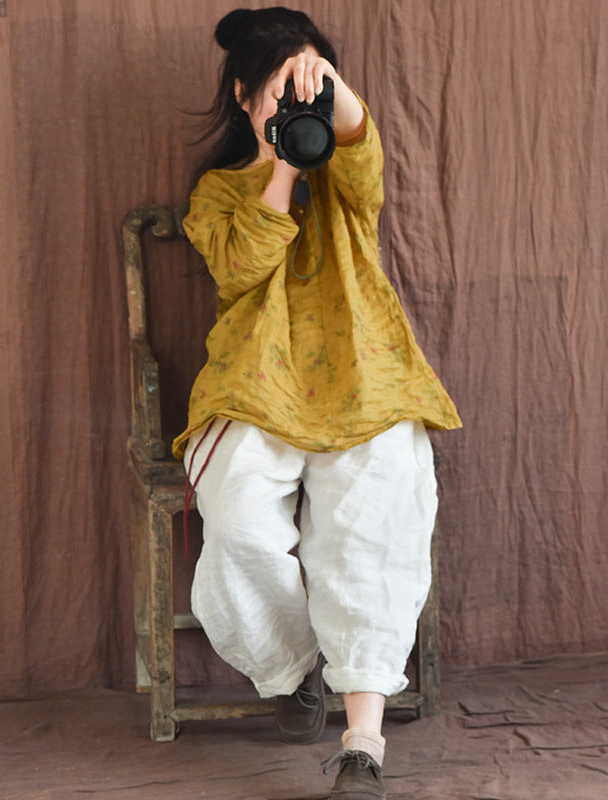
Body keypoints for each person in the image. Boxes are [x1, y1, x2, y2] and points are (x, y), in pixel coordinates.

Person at [172, 7, 462, 798]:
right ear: (242, 98)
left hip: (365, 377)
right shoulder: (217, 192)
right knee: (237, 525)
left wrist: (324, 89)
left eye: (309, 89)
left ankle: (363, 745)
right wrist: (282, 168)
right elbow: (241, 268)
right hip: (255, 383)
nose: (297, 105)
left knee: (376, 524)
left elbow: (361, 136)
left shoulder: (348, 171)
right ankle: (292, 669)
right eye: (279, 91)